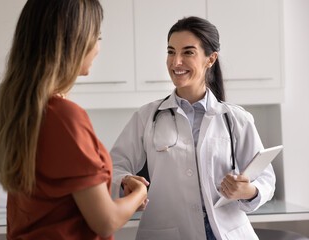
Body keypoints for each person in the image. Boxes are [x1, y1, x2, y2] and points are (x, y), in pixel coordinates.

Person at [0, 0, 148, 239]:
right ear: (73, 42)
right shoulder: (64, 116)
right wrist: (137, 193)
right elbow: (105, 222)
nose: (97, 47)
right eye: (97, 37)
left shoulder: (18, 108)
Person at [110, 16, 275, 240]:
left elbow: (265, 178)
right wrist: (125, 181)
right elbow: (113, 169)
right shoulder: (147, 117)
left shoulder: (236, 118)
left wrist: (248, 191)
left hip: (227, 233)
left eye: (188, 52)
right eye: (171, 52)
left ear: (210, 59)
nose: (176, 62)